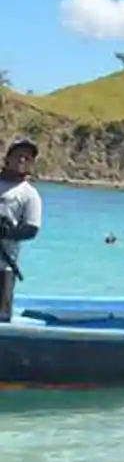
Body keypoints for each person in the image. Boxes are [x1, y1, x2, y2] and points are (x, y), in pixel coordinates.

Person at [0, 137, 43, 323]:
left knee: (2, 319)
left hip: (4, 266)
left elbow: (32, 229)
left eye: (27, 158)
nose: (22, 160)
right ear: (7, 158)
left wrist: (7, 232)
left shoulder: (29, 194)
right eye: (18, 155)